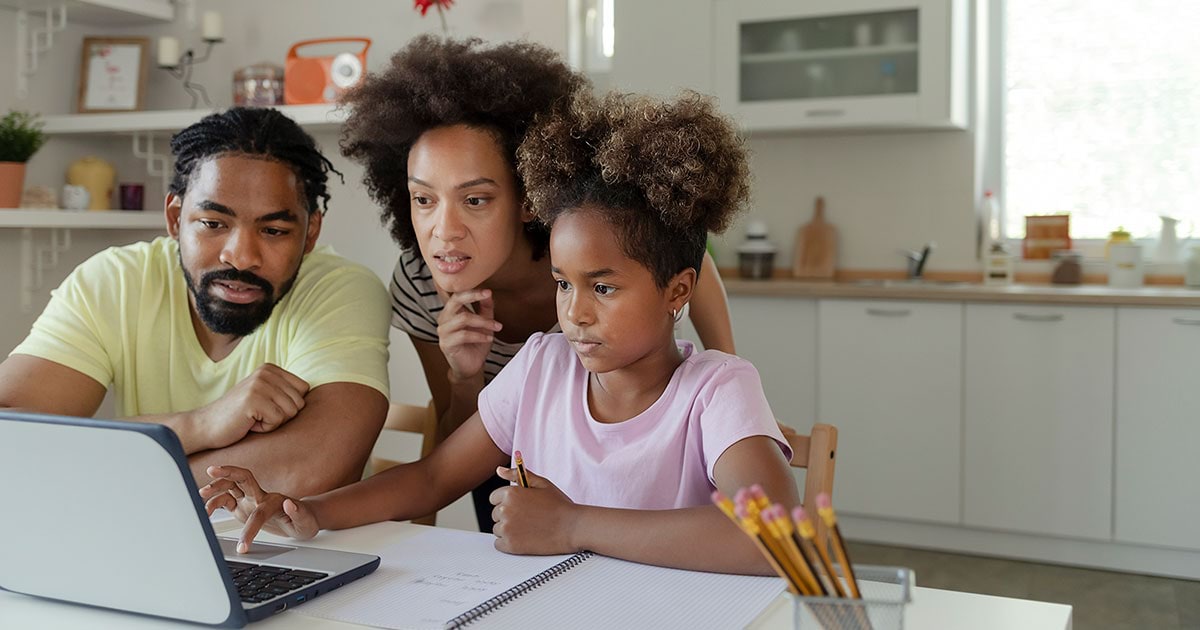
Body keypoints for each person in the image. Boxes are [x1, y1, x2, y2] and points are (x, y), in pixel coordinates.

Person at [200, 91, 800, 575]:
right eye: (563, 284)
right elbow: (434, 477)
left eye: (604, 287)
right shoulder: (541, 365)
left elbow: (779, 539)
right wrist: (309, 511)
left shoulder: (719, 388)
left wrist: (572, 524)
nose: (575, 313)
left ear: (677, 292)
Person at [339, 36, 740, 531]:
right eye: (424, 200)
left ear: (527, 198)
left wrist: (728, 369)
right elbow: (447, 461)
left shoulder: (579, 241)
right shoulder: (424, 287)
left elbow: (686, 262)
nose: (444, 231)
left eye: (477, 200)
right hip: (520, 460)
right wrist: (462, 377)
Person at [0, 108, 391, 496]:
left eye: (273, 230)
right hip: (140, 537)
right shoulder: (115, 281)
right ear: (174, 218)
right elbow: (11, 437)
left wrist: (106, 473)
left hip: (300, 551)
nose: (240, 256)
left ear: (310, 234)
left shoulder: (341, 289)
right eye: (213, 224)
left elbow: (311, 468)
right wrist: (199, 424)